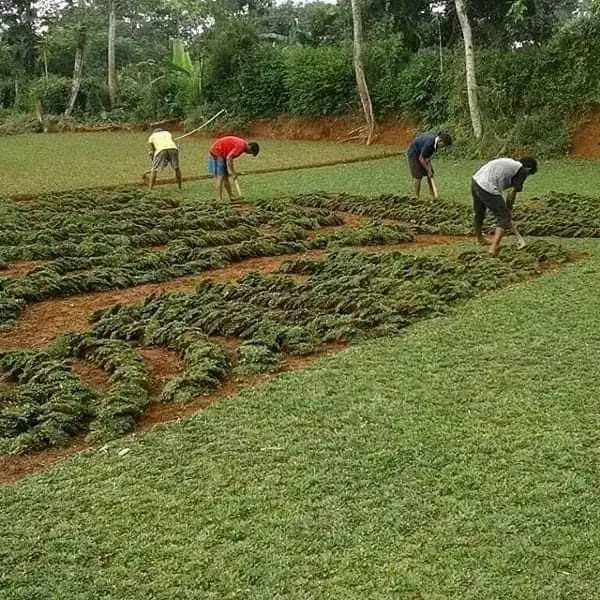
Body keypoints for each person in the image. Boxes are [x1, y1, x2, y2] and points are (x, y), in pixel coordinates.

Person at [472, 156, 538, 256]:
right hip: (487, 186)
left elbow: (505, 192)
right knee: (503, 217)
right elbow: (512, 192)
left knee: (479, 212)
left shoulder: (510, 164)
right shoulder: (522, 170)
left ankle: (480, 239)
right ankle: (494, 247)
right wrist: (509, 210)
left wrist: (505, 206)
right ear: (528, 169)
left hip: (476, 181)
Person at [207, 135, 260, 202]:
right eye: (251, 152)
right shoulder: (241, 146)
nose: (248, 154)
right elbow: (229, 158)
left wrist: (231, 172)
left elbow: (229, 157)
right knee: (220, 177)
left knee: (225, 177)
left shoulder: (242, 144)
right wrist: (233, 173)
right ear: (250, 147)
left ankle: (231, 196)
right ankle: (218, 199)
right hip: (217, 152)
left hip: (222, 153)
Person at [406, 131, 452, 199]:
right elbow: (421, 159)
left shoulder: (435, 142)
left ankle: (432, 195)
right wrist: (428, 169)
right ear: (440, 141)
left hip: (421, 152)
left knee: (430, 174)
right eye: (443, 145)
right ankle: (416, 197)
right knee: (418, 176)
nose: (443, 148)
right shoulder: (429, 144)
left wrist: (429, 170)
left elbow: (427, 157)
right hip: (414, 153)